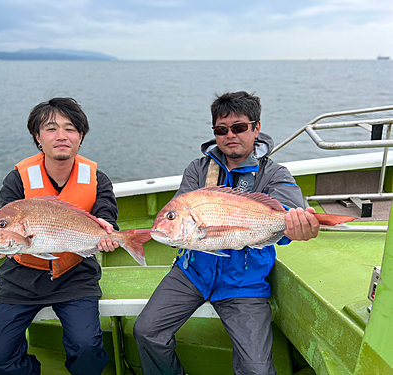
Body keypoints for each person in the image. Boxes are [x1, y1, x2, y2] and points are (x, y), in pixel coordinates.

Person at [133, 91, 320, 375]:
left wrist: (297, 228)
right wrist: (173, 233)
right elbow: (181, 215)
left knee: (256, 369)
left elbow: (286, 219)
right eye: (222, 129)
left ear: (256, 128)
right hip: (191, 272)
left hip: (244, 282)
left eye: (239, 127)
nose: (230, 135)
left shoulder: (274, 173)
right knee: (147, 331)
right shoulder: (197, 169)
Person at [0, 97, 120, 375]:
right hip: (20, 276)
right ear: (37, 137)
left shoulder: (97, 179)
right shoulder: (18, 179)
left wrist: (106, 230)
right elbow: (3, 221)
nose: (61, 136)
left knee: (86, 348)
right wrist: (1, 244)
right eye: (51, 128)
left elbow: (105, 215)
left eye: (70, 129)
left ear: (80, 137)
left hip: (76, 272)